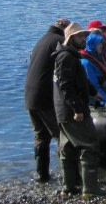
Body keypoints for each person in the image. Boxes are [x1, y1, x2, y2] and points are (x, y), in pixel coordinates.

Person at [53, 22, 106, 197]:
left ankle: (68, 186)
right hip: (71, 111)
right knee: (89, 145)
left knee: (67, 148)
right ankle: (90, 188)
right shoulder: (66, 58)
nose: (83, 39)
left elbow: (78, 81)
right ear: (70, 38)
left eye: (84, 36)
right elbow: (66, 86)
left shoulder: (68, 56)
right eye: (79, 36)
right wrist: (77, 109)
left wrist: (93, 92)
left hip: (63, 110)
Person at [24, 17, 71, 183]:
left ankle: (41, 175)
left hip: (30, 96)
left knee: (41, 136)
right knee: (62, 136)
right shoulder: (58, 41)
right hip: (45, 97)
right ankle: (69, 177)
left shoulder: (42, 40)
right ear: (65, 29)